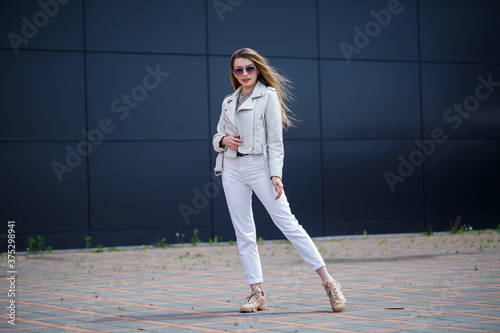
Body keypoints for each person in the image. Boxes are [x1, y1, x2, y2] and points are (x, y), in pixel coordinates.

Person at [213, 48, 347, 313]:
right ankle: (257, 292)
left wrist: (276, 174)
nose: (244, 74)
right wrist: (223, 141)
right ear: (233, 73)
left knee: (288, 223)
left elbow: (275, 140)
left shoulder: (268, 96)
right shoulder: (228, 100)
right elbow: (217, 135)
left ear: (258, 69)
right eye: (238, 70)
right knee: (244, 232)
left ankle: (329, 282)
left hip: (259, 165)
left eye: (249, 68)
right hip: (230, 167)